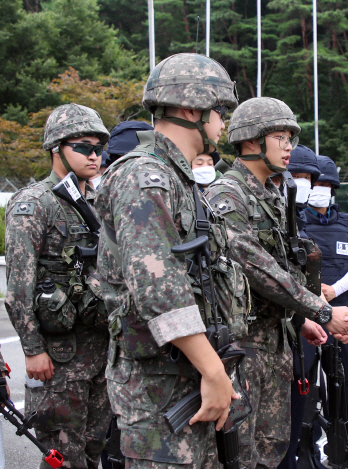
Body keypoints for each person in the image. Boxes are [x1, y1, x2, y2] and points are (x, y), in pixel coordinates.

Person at [204, 96, 348, 469]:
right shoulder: (227, 196)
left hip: (276, 343)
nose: (289, 146)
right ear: (250, 140)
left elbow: (285, 267)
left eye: (291, 137)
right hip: (242, 349)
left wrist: (301, 320)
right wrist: (320, 310)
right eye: (280, 136)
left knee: (273, 451)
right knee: (239, 453)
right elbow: (257, 268)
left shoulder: (275, 196)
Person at [96, 52, 239, 467]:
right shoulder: (145, 176)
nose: (223, 122)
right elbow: (158, 287)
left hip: (181, 372)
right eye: (219, 109)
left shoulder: (178, 179)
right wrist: (213, 371)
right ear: (192, 108)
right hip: (158, 385)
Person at [4, 103, 112, 468]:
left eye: (100, 147)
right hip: (59, 357)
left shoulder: (99, 202)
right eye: (84, 146)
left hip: (101, 351)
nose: (94, 155)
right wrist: (32, 349)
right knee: (63, 458)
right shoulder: (34, 204)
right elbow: (19, 286)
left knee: (95, 449)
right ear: (56, 148)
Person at [304, 155, 348, 462]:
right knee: (305, 382)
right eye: (315, 184)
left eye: (326, 185)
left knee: (344, 381)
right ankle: (306, 448)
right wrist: (314, 293)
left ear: (334, 189)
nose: (320, 189)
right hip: (305, 315)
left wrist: (334, 290)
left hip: (341, 314)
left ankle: (344, 443)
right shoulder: (295, 217)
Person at [277, 144, 322, 469]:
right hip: (270, 340)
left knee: (298, 419)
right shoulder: (258, 207)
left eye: (309, 177)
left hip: (299, 332)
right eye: (298, 175)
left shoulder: (298, 216)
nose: (302, 182)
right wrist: (323, 313)